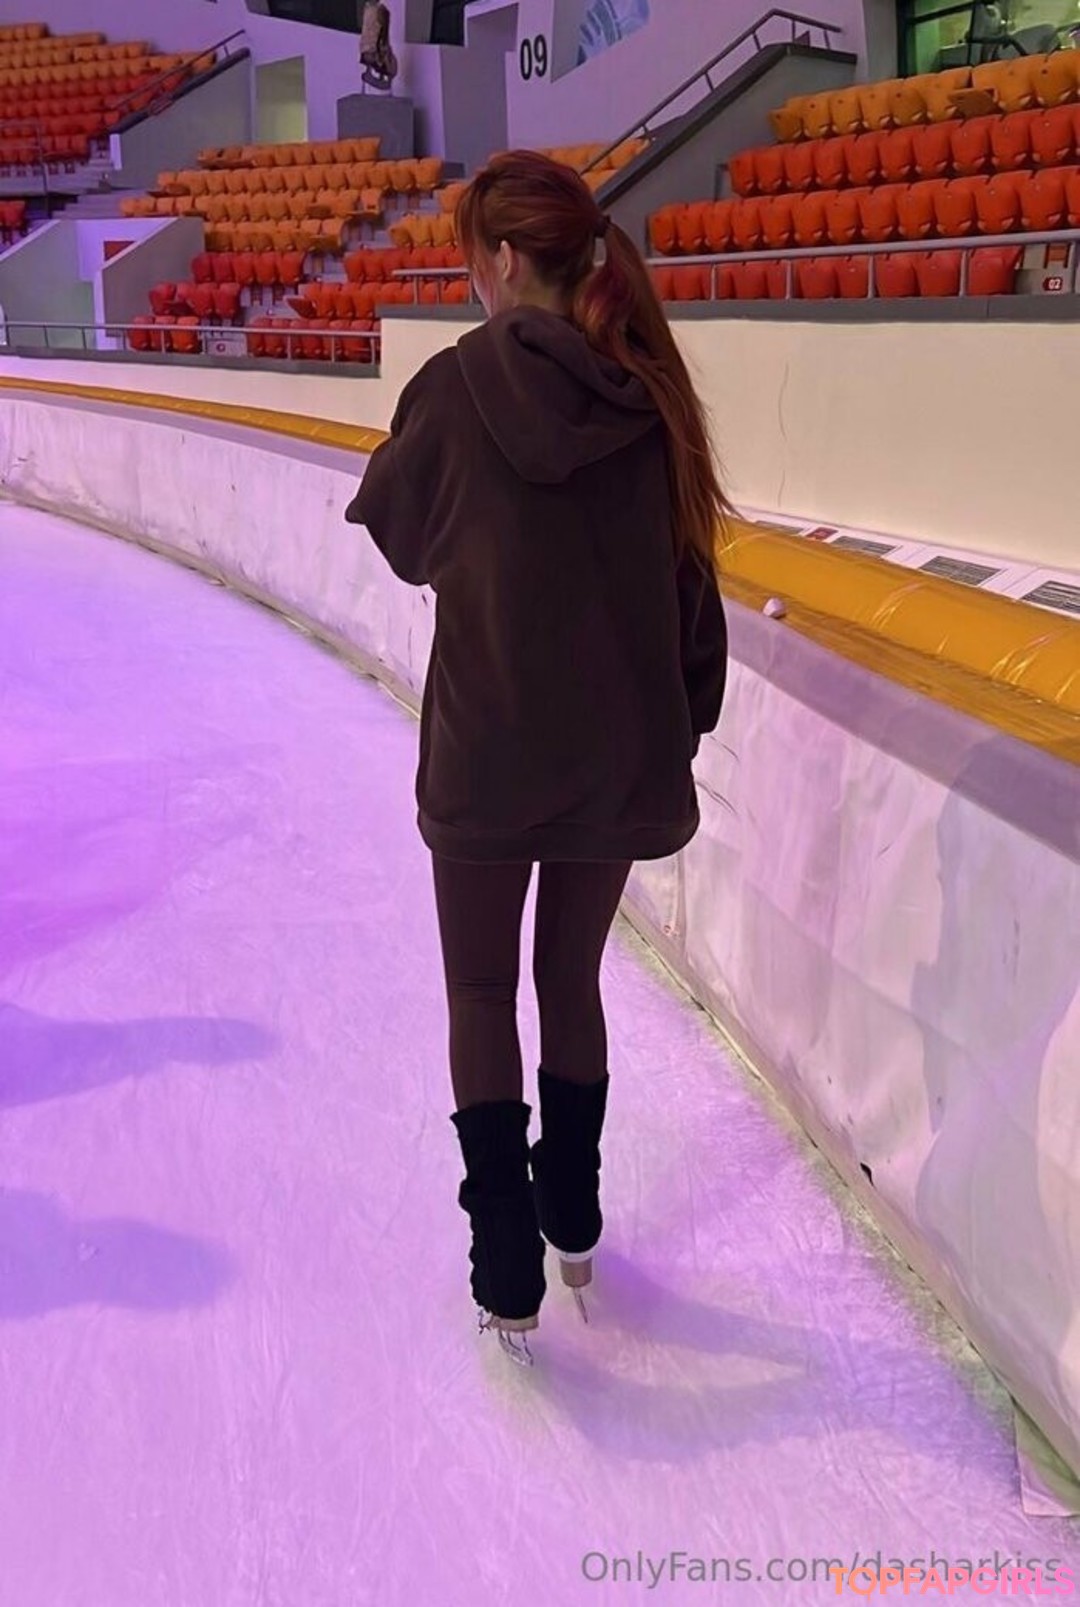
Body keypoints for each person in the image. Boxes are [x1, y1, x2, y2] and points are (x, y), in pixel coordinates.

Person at [345, 150, 728, 1365]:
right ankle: (571, 1212)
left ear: (504, 261)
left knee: (479, 990)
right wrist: (685, 716)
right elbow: (691, 582)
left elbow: (404, 537)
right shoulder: (649, 391)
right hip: (613, 751)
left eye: (474, 258)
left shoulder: (456, 387)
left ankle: (504, 1253)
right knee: (570, 979)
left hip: (487, 749)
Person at [358, 0, 398, 90]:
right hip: (373, 48)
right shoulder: (375, 10)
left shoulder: (374, 9)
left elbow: (382, 34)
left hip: (373, 48)